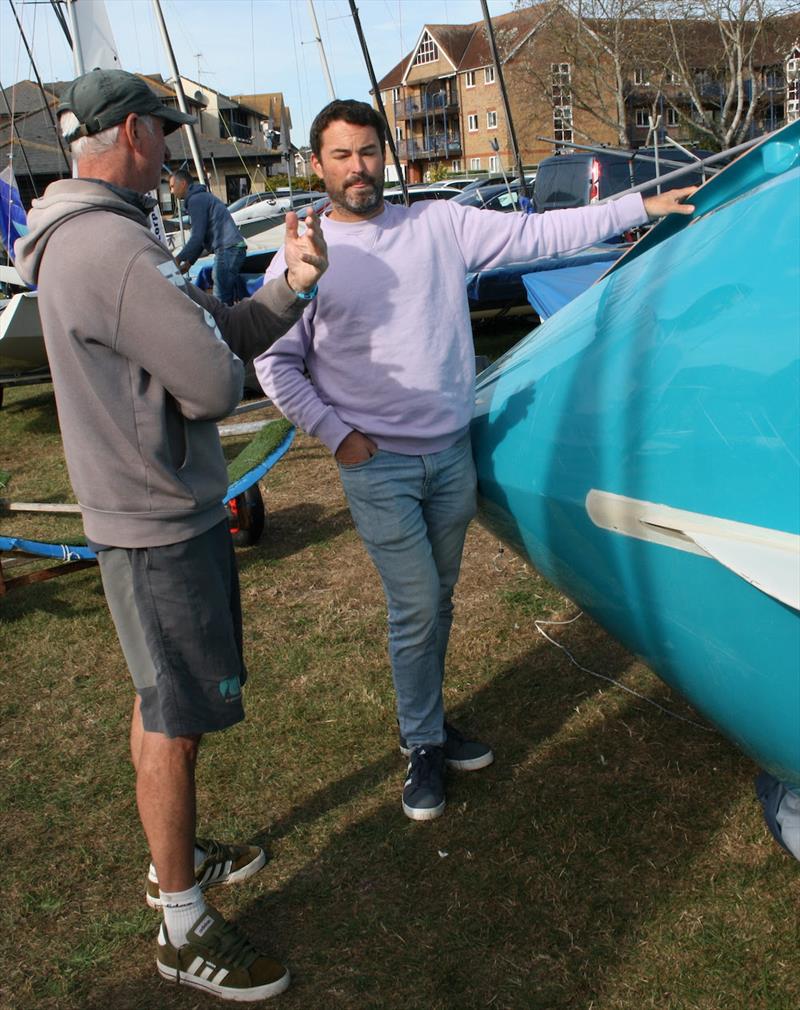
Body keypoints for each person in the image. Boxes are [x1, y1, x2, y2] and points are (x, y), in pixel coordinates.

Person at [255, 98, 696, 824]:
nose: (358, 168)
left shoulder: (437, 224)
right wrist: (338, 435)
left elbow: (539, 231)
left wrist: (638, 204)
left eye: (368, 151)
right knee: (418, 603)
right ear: (317, 165)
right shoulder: (304, 256)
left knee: (440, 600)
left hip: (450, 455)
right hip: (376, 465)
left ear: (384, 155)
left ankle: (428, 723)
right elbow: (275, 363)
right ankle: (422, 743)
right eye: (341, 155)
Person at [14, 68, 327, 1002]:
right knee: (176, 715)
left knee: (163, 698)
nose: (172, 145)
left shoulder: (98, 236)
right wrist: (223, 346)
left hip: (147, 515)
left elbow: (217, 331)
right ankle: (182, 925)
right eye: (162, 127)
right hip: (156, 525)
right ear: (131, 134)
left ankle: (174, 855)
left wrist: (290, 289)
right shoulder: (111, 249)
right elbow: (213, 385)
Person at [169, 167, 247, 304]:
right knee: (226, 297)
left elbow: (197, 237)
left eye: (172, 186)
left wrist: (177, 259)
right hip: (233, 248)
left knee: (220, 300)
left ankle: (224, 325)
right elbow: (202, 237)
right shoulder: (201, 197)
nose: (171, 191)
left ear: (182, 184)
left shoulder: (196, 200)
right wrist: (189, 263)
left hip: (227, 249)